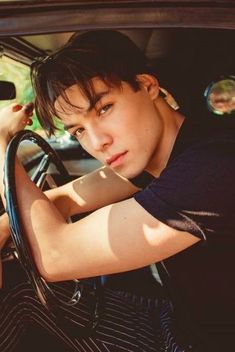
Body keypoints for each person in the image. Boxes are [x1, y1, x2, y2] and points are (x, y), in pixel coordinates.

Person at [0, 30, 235, 352]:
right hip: (183, 318)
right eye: (79, 130)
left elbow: (55, 257)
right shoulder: (164, 152)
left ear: (149, 86)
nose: (97, 142)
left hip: (203, 342)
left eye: (104, 108)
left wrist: (3, 147)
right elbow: (66, 199)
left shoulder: (212, 167)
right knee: (26, 294)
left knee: (19, 300)